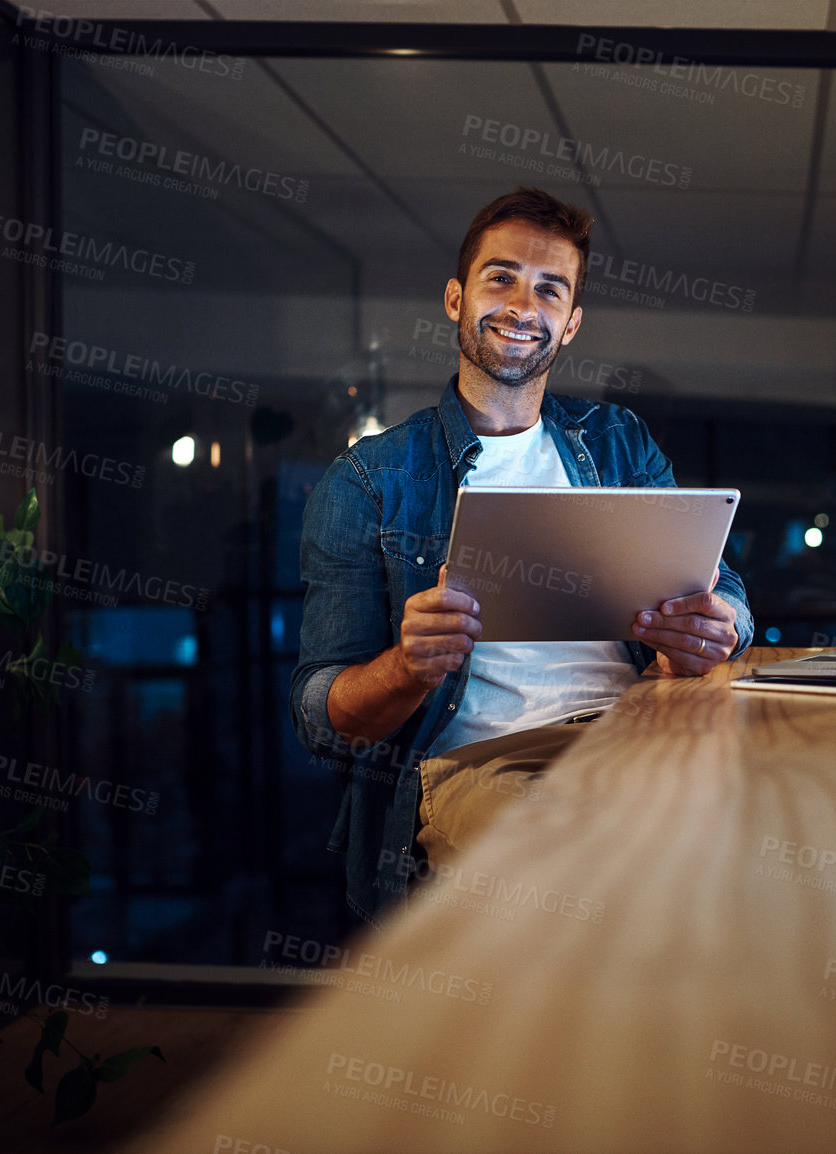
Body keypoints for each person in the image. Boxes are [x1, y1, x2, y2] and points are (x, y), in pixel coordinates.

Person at [293, 187, 753, 924]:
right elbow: (323, 716)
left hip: (641, 739)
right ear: (455, 297)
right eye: (500, 277)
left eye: (549, 288)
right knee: (587, 875)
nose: (521, 303)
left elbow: (717, 580)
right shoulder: (368, 480)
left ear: (570, 324)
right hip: (487, 767)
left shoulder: (617, 441)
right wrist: (409, 667)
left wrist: (720, 623)